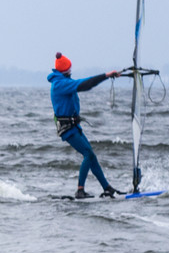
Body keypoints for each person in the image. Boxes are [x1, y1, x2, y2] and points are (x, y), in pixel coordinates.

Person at [48, 52, 123, 198]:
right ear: (66, 70)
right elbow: (85, 84)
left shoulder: (63, 81)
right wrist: (106, 75)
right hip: (68, 129)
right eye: (69, 68)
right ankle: (80, 190)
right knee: (87, 154)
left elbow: (84, 82)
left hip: (74, 127)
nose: (71, 71)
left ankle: (107, 188)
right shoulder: (60, 84)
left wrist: (108, 76)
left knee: (91, 156)